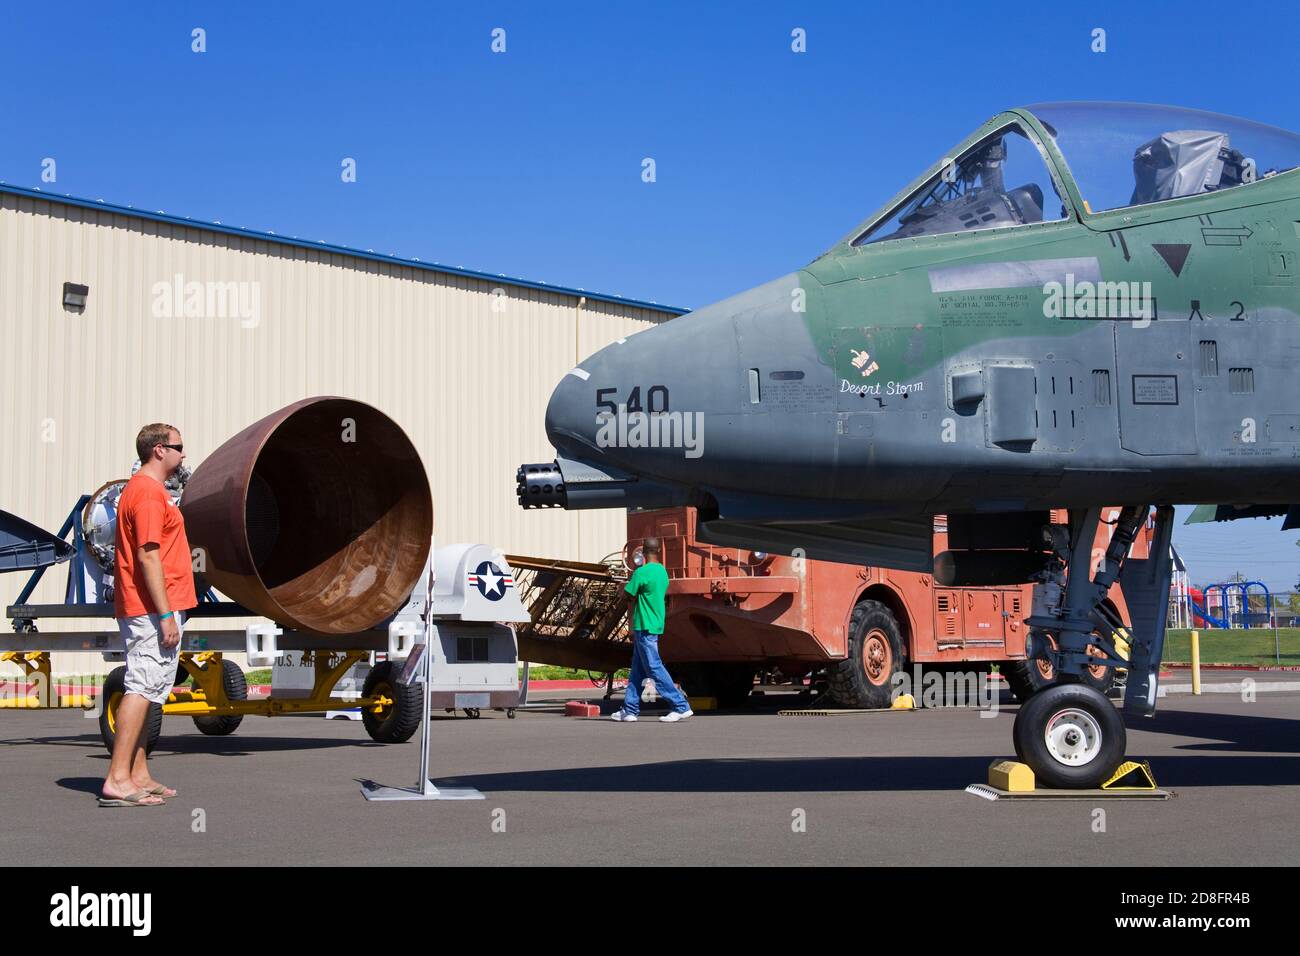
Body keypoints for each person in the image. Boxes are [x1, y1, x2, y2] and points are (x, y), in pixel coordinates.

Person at [99, 423, 197, 807]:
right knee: (141, 687)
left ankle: (137, 772)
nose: (183, 453)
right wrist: (166, 614)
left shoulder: (148, 491)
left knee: (152, 688)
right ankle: (117, 778)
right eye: (178, 446)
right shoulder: (147, 494)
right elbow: (148, 554)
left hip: (153, 608)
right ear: (159, 450)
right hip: (151, 609)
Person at [611, 537, 693, 723]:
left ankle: (680, 706)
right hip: (655, 623)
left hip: (643, 624)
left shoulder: (641, 572)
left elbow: (627, 595)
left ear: (643, 552)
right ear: (658, 551)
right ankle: (630, 710)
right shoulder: (662, 572)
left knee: (654, 667)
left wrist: (621, 589)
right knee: (637, 670)